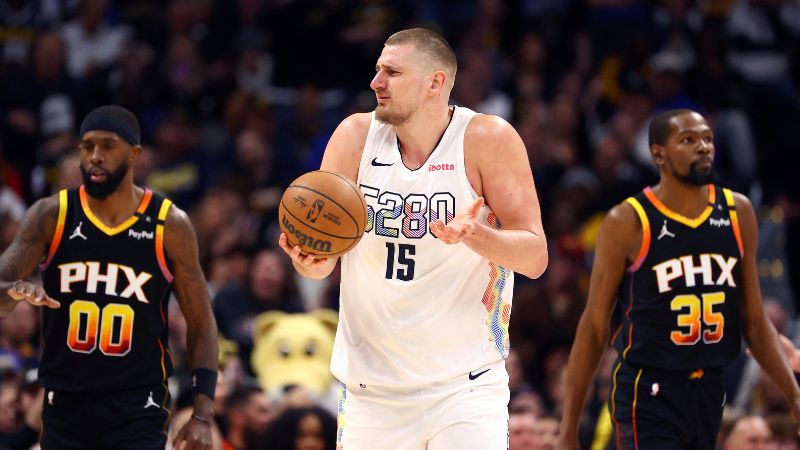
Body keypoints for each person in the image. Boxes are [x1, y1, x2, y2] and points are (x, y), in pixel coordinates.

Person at [278, 28, 547, 449]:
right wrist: (308, 259)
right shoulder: (354, 137)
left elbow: (534, 257)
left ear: (435, 83)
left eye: (392, 72)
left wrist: (476, 235)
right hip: (371, 390)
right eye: (377, 71)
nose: (376, 83)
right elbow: (322, 260)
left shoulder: (486, 139)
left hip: (465, 387)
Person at [556, 109, 800, 450]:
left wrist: (794, 394)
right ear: (659, 154)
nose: (703, 147)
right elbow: (595, 325)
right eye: (688, 140)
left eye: (707, 139)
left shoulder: (737, 212)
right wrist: (569, 426)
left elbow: (755, 322)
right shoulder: (629, 220)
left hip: (708, 387)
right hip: (649, 388)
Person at [0, 105, 219, 450]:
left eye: (107, 145)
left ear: (134, 154)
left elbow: (202, 324)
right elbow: (1, 287)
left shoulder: (169, 224)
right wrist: (12, 292)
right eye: (87, 147)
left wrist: (202, 414)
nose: (95, 156)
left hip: (138, 407)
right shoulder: (51, 215)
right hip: (65, 405)